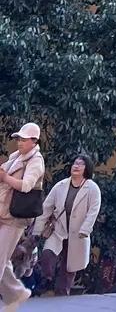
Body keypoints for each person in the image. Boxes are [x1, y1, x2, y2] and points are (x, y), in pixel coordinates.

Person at [36, 155, 100, 297]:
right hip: (59, 229)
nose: (76, 166)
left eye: (81, 164)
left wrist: (85, 229)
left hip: (78, 234)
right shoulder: (61, 185)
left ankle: (62, 295)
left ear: (87, 169)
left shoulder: (92, 188)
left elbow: (93, 211)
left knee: (69, 268)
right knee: (47, 254)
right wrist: (38, 229)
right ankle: (47, 279)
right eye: (75, 163)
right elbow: (47, 207)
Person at [0, 124, 46, 312]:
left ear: (34, 141)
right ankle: (17, 293)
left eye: (24, 139)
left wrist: (5, 178)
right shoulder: (16, 157)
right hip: (3, 211)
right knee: (2, 259)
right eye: (19, 139)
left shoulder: (36, 161)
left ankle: (17, 293)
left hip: (15, 216)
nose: (19, 142)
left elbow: (27, 185)